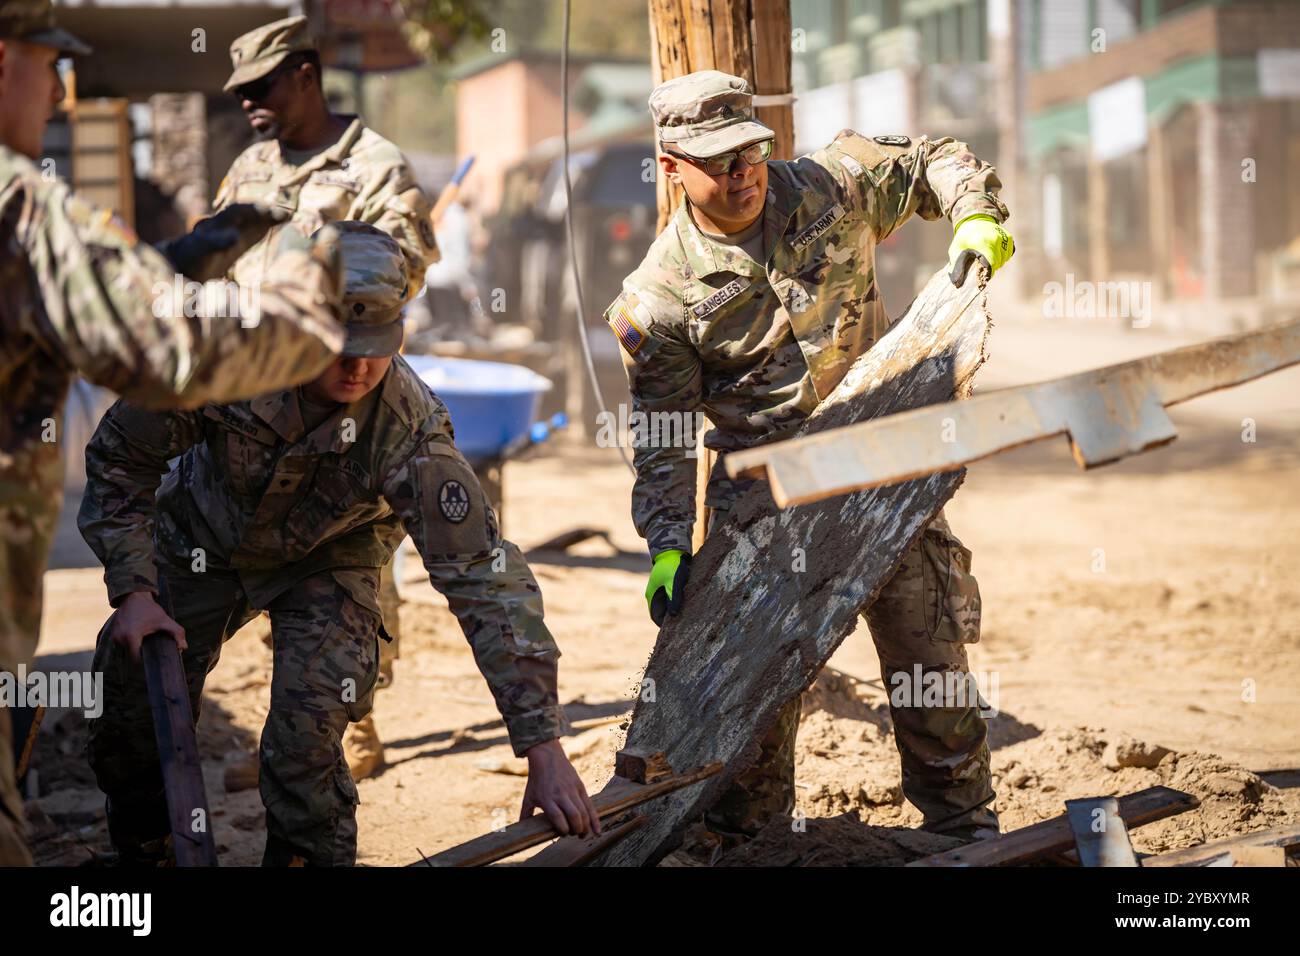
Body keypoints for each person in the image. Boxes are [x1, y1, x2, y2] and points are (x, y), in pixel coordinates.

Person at [80, 223, 598, 866]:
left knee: (304, 745)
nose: (357, 367)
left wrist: (542, 748)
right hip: (199, 542)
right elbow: (119, 459)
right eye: (336, 346)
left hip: (330, 557)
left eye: (376, 344)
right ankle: (147, 855)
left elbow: (484, 580)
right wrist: (133, 591)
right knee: (132, 712)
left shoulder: (409, 430)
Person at [609, 70, 1016, 846]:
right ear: (670, 167)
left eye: (751, 155)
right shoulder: (658, 298)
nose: (742, 176)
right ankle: (754, 846)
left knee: (931, 674)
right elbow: (663, 435)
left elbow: (932, 156)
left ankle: (966, 836)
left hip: (882, 477)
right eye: (719, 164)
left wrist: (974, 217)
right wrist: (666, 543)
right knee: (752, 721)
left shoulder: (831, 185)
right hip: (767, 516)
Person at [0, 0, 346, 866]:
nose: (62, 97)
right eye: (52, 68)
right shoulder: (18, 201)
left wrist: (222, 238)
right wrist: (310, 313)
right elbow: (160, 350)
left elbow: (99, 287)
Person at [216, 13, 442, 777]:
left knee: (354, 557)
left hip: (348, 395)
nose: (248, 101)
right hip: (260, 400)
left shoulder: (374, 162)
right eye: (241, 90)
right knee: (275, 555)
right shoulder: (247, 169)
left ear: (306, 75)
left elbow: (404, 266)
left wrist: (312, 270)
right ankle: (292, 732)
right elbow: (214, 264)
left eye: (262, 85)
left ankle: (356, 722)